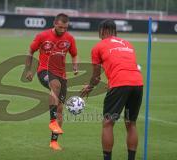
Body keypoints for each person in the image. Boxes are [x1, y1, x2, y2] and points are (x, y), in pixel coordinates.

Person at [81, 19, 143, 160]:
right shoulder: (128, 44)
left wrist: (89, 87)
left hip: (119, 84)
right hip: (138, 83)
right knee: (131, 123)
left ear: (102, 31)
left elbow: (96, 76)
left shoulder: (99, 46)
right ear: (115, 31)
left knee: (108, 123)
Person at [25, 13, 78, 150]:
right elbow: (30, 51)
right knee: (55, 85)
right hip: (45, 70)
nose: (63, 30)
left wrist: (75, 65)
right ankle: (52, 121)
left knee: (60, 108)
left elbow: (74, 54)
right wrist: (28, 70)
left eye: (65, 28)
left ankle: (54, 142)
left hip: (62, 74)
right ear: (54, 23)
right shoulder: (42, 36)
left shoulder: (70, 38)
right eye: (60, 27)